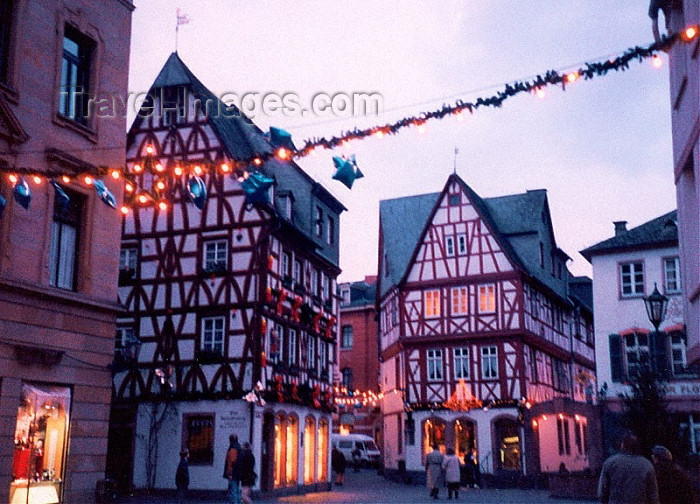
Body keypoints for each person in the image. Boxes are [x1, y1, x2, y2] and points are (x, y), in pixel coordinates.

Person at [598, 432, 659, 504]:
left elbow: (602, 491)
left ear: (622, 445)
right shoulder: (647, 465)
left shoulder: (610, 463)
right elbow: (653, 494)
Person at [224, 434, 242, 504]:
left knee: (233, 490)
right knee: (236, 490)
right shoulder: (239, 447)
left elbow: (231, 461)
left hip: (233, 473)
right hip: (238, 472)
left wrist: (229, 472)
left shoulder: (233, 448)